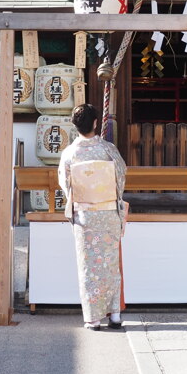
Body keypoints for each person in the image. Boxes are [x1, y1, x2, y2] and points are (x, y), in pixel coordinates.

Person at [57, 103, 127, 330]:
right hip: (107, 213)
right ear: (96, 123)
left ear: (76, 126)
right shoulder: (108, 150)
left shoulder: (69, 154)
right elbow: (120, 177)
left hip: (85, 215)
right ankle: (114, 315)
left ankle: (93, 318)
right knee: (110, 265)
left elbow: (66, 185)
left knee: (88, 267)